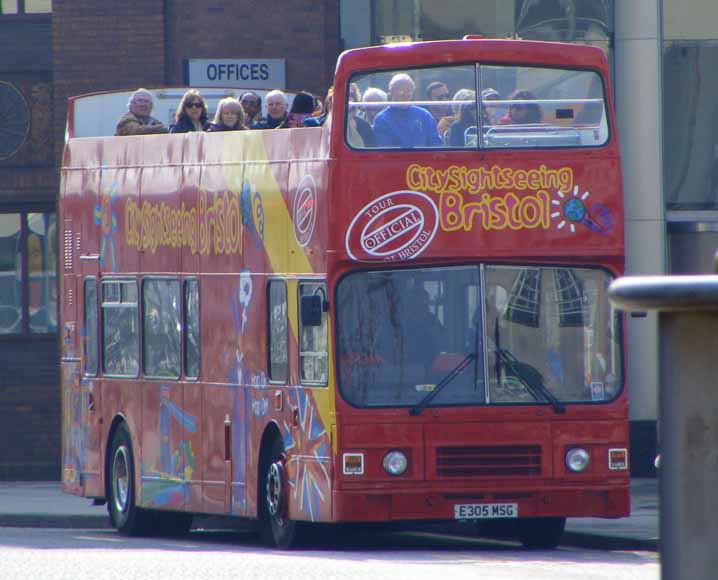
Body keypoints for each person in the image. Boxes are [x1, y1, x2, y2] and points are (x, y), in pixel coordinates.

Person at [372, 73, 441, 148]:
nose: (405, 95)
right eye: (401, 90)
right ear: (391, 92)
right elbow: (385, 149)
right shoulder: (382, 119)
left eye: (409, 91)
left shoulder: (424, 115)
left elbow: (436, 143)